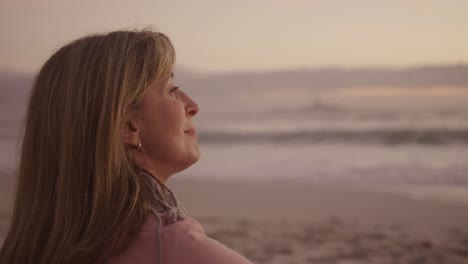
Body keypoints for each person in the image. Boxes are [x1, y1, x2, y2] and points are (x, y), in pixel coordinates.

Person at [0, 29, 253, 264]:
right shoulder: (169, 246)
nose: (193, 105)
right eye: (171, 90)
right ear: (127, 127)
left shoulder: (27, 247)